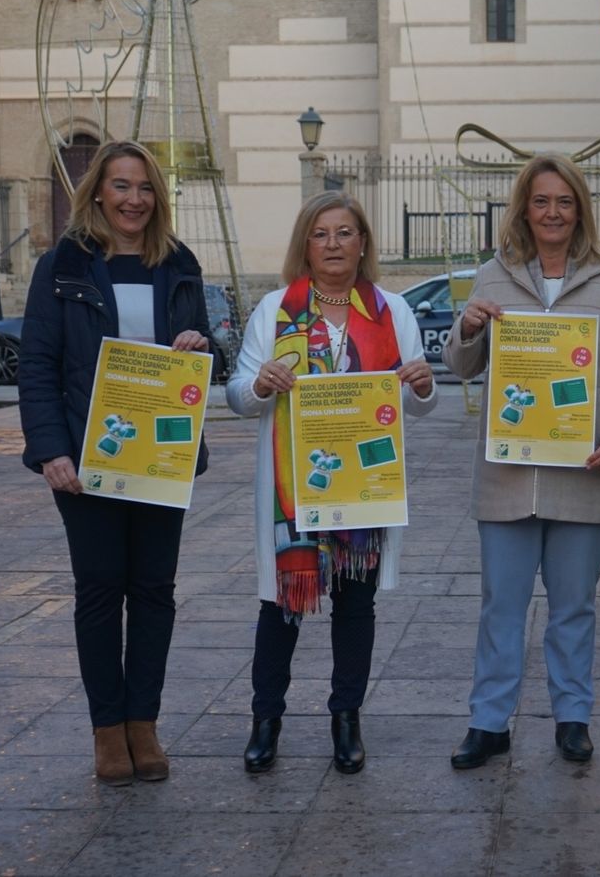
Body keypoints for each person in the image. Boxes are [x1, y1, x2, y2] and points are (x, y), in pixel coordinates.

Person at [444, 153, 600, 768]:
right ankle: (489, 722)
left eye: (564, 201)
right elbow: (461, 366)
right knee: (500, 606)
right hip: (509, 475)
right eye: (541, 201)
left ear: (580, 209)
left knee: (575, 607)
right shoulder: (493, 275)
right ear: (524, 210)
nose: (553, 212)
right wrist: (471, 327)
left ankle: (572, 716)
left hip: (586, 473)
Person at [18, 140, 212, 786]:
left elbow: (209, 351)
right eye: (121, 186)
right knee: (101, 591)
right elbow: (38, 365)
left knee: (154, 591)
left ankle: (143, 725)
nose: (133, 199)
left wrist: (196, 346)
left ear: (157, 196)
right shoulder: (62, 265)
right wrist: (50, 449)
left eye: (145, 187)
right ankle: (108, 731)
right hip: (85, 458)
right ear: (97, 192)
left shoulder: (179, 262)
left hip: (160, 456)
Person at [226, 191, 438, 775]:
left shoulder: (392, 311)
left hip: (363, 485)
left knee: (356, 605)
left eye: (345, 233)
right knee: (282, 606)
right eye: (321, 234)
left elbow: (416, 401)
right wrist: (261, 383)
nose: (334, 244)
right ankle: (265, 720)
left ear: (363, 242)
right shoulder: (275, 310)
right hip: (293, 488)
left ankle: (346, 719)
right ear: (306, 245)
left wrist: (422, 385)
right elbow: (238, 395)